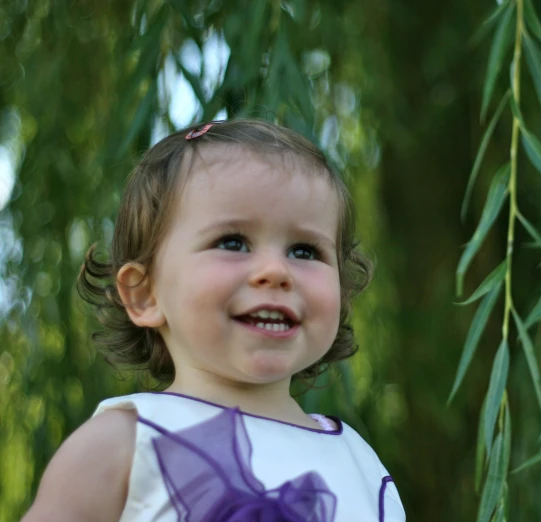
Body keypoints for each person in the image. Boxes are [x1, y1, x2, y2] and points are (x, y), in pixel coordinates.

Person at [21, 119, 405, 522]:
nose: (276, 271)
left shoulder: (361, 462)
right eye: (233, 242)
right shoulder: (125, 443)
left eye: (305, 251)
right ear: (145, 294)